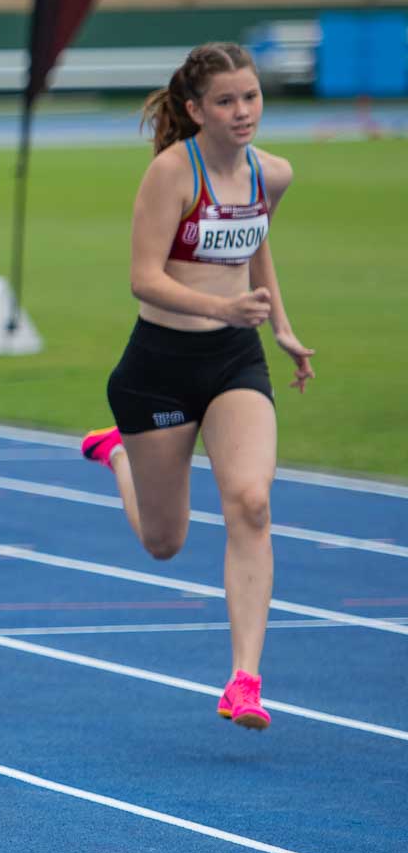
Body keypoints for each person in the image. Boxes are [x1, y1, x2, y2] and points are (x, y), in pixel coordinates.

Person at [80, 43, 314, 730]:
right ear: (195, 109)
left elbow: (255, 244)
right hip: (160, 365)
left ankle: (244, 679)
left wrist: (281, 330)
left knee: (251, 502)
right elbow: (143, 277)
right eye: (226, 101)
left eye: (251, 97)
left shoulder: (272, 174)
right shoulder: (169, 175)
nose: (243, 112)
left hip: (235, 360)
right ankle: (118, 451)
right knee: (165, 542)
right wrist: (220, 306)